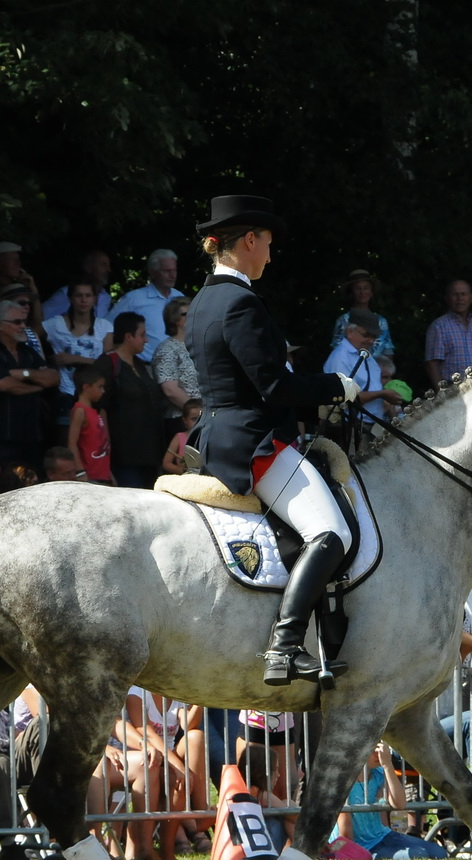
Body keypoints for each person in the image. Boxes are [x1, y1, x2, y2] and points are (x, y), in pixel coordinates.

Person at [182, 196, 361, 684]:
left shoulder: (202, 302)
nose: (270, 256)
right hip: (251, 440)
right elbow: (275, 387)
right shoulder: (240, 302)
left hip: (218, 431)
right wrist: (334, 386)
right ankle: (284, 646)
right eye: (268, 246)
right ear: (249, 241)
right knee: (332, 533)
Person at [0, 301, 55, 471]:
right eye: (17, 322)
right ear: (1, 325)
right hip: (2, 437)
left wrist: (25, 373)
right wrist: (37, 387)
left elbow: (53, 378)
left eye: (24, 321)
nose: (23, 326)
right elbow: (5, 385)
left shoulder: (28, 352)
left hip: (33, 436)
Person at [97, 312, 162, 488]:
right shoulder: (108, 363)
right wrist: (107, 446)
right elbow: (99, 407)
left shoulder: (139, 364)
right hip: (123, 454)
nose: (146, 340)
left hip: (149, 453)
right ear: (128, 336)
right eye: (142, 335)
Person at [43, 280, 113, 410]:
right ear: (70, 298)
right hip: (64, 392)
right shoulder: (55, 324)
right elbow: (32, 334)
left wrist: (75, 359)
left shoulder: (104, 326)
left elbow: (108, 365)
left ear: (95, 299)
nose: (83, 300)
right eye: (78, 295)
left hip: (94, 393)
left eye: (88, 295)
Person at [424, 279, 472, 385]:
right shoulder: (438, 326)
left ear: (471, 298)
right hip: (453, 389)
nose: (460, 298)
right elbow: (432, 365)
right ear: (447, 298)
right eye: (455, 295)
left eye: (463, 294)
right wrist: (442, 393)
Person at [112, 249, 184, 357]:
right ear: (152, 272)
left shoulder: (180, 298)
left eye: (174, 270)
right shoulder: (134, 299)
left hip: (177, 367)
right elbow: (106, 327)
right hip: (146, 367)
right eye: (167, 271)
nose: (173, 275)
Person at [323, 312, 390, 418]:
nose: (371, 341)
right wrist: (382, 394)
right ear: (350, 332)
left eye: (374, 336)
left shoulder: (365, 354)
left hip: (369, 424)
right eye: (367, 335)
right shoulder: (340, 357)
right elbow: (344, 396)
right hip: (351, 426)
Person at [151, 297, 201, 416]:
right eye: (188, 314)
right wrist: (197, 411)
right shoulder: (166, 349)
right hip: (182, 419)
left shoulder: (199, 345)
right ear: (175, 319)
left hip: (206, 417)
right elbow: (170, 390)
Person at [328, 269, 394, 356]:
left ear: (371, 292)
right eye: (358, 289)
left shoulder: (382, 321)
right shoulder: (343, 320)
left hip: (378, 368)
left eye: (366, 288)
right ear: (351, 293)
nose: (362, 292)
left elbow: (388, 351)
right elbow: (337, 351)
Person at [67, 365, 113, 483]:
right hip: (89, 475)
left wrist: (110, 473)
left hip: (103, 474)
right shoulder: (80, 411)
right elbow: (72, 443)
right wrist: (80, 472)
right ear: (86, 387)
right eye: (100, 387)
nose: (103, 391)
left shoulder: (97, 413)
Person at [43, 249, 114, 321]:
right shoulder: (66, 293)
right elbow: (40, 322)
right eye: (103, 265)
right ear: (88, 267)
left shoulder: (106, 298)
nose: (108, 269)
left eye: (108, 265)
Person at [161, 398, 202, 475]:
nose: (198, 422)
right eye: (194, 419)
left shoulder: (209, 437)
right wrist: (180, 470)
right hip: (185, 479)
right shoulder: (179, 437)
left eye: (201, 418)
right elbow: (166, 463)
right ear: (185, 420)